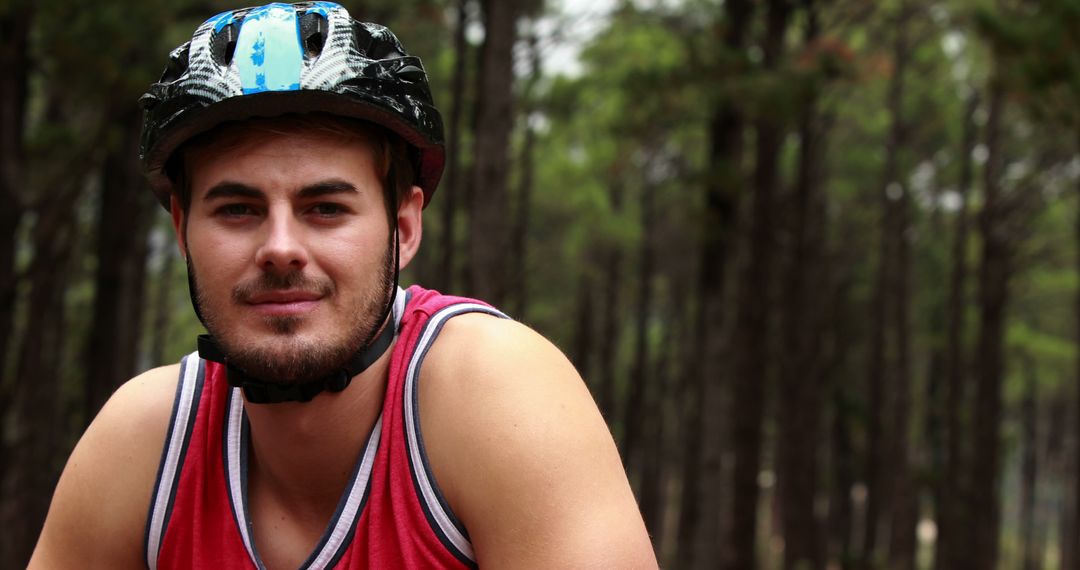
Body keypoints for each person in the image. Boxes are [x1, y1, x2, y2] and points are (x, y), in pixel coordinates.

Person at [29, 2, 656, 569]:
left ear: (404, 229)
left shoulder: (497, 396)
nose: (280, 248)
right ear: (183, 228)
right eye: (238, 210)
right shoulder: (145, 444)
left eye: (325, 207)